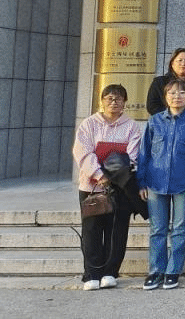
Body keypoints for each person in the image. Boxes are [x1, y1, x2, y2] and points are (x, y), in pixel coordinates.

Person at [137, 78, 185, 290]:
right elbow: (144, 153)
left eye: (182, 93)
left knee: (179, 228)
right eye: (172, 93)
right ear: (165, 97)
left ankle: (173, 270)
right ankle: (156, 270)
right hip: (155, 181)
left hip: (184, 182)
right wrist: (141, 181)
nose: (177, 96)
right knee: (157, 229)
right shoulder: (154, 122)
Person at [72, 84, 143, 291]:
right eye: (109, 98)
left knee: (116, 231)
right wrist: (100, 175)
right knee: (92, 230)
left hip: (120, 187)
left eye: (118, 98)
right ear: (102, 101)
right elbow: (83, 152)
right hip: (91, 187)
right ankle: (92, 274)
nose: (114, 102)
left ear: (125, 102)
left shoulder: (131, 126)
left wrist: (113, 176)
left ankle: (110, 272)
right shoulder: (89, 124)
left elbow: (132, 156)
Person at [146, 48, 185, 115]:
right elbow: (152, 106)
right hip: (164, 120)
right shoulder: (159, 82)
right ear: (172, 64)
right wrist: (171, 116)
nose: (183, 64)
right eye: (180, 60)